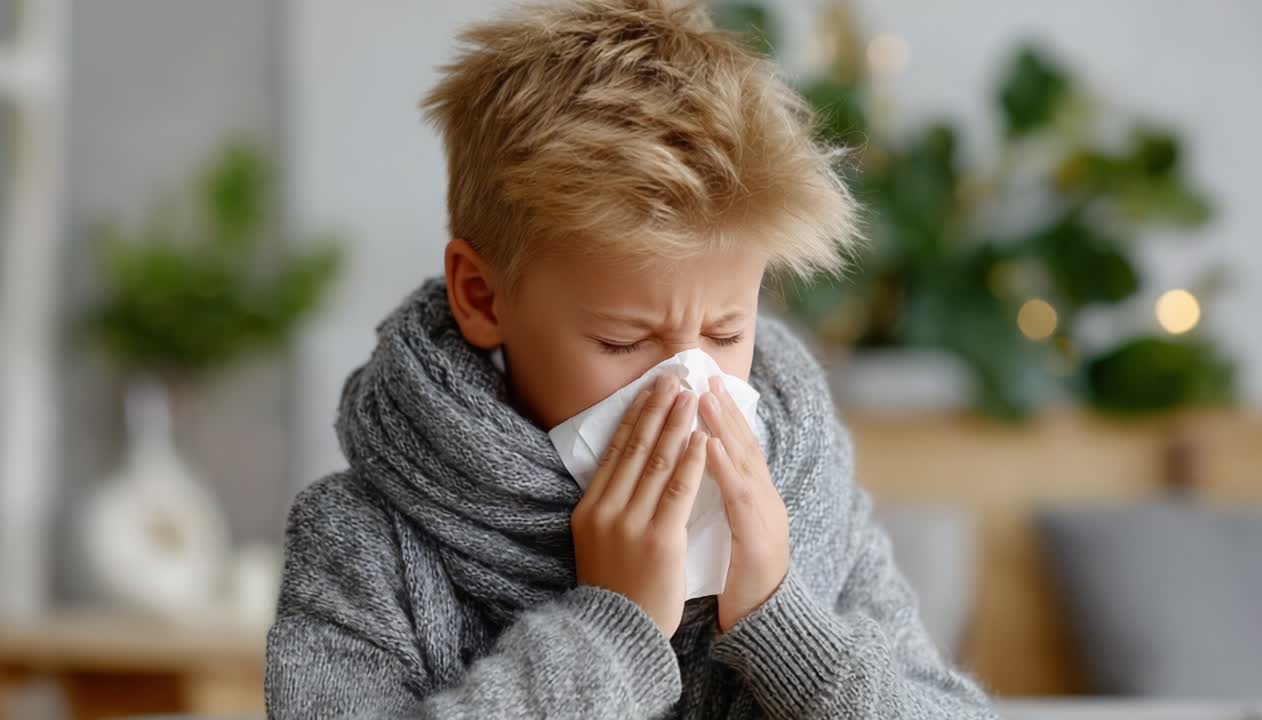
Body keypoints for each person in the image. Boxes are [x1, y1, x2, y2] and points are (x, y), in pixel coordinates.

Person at [265, 1, 997, 718]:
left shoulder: (810, 501)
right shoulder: (363, 543)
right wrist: (610, 635)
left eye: (724, 333)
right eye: (623, 342)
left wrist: (785, 625)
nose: (686, 386)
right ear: (482, 298)